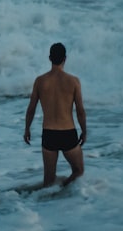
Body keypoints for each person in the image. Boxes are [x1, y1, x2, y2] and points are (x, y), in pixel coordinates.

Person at [24, 42, 86, 187]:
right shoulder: (73, 81)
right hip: (68, 133)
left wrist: (27, 129)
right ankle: (63, 191)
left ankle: (48, 200)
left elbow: (31, 108)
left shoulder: (40, 81)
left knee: (48, 181)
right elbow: (80, 111)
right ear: (65, 58)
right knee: (78, 171)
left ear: (49, 58)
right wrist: (84, 131)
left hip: (49, 133)